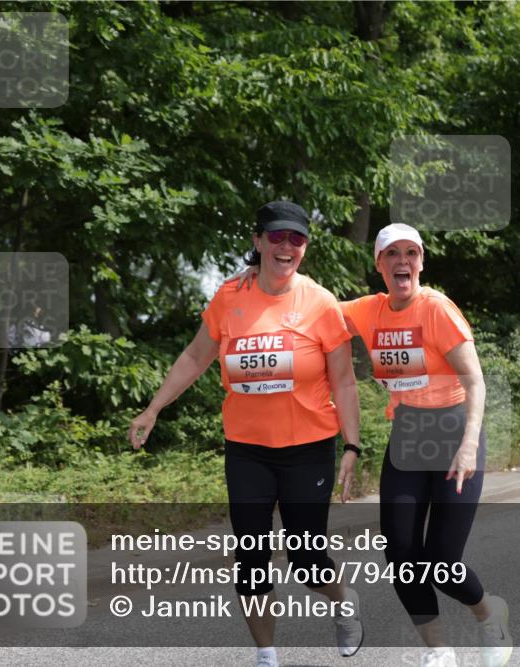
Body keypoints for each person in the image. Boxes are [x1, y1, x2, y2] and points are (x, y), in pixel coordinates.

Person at [238, 223, 513, 667]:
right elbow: (310, 304)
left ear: (421, 262)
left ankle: (487, 612)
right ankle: (440, 652)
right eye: (391, 254)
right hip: (407, 434)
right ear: (379, 264)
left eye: (411, 253)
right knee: (402, 555)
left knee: (442, 560)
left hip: (452, 432)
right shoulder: (368, 310)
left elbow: (474, 380)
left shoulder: (437, 309)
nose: (402, 261)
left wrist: (469, 443)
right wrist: (251, 278)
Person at [129, 201, 364, 667]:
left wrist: (352, 444)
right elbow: (196, 357)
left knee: (306, 558)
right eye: (277, 237)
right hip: (247, 451)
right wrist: (154, 407)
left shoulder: (320, 302)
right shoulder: (230, 297)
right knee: (251, 556)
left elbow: (344, 381)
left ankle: (342, 603)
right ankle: (267, 654)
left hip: (308, 449)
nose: (286, 247)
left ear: (305, 248)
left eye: (296, 239)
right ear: (257, 242)